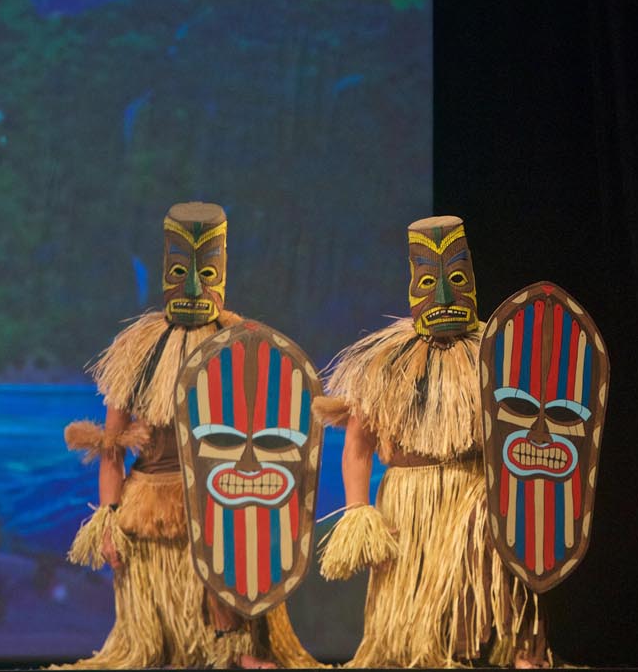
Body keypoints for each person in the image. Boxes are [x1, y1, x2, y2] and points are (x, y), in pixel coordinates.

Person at [60, 202, 314, 668]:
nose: (194, 285)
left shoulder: (244, 344)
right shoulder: (139, 350)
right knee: (148, 648)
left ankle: (236, 649)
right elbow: (111, 446)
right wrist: (109, 519)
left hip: (225, 509)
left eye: (206, 271)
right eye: (181, 270)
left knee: (228, 624)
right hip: (151, 509)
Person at [316, 216, 533, 667]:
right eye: (430, 281)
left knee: (477, 555)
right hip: (409, 501)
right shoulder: (384, 362)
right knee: (412, 630)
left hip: (474, 489)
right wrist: (359, 512)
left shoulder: (495, 353)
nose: (442, 296)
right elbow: (358, 442)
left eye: (455, 279)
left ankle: (512, 645)